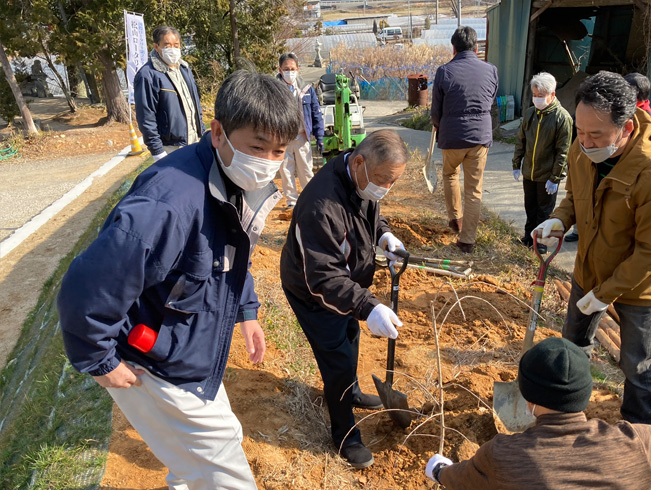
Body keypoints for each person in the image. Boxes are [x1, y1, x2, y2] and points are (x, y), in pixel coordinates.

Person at [58, 70, 301, 490]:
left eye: (279, 151)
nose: (267, 163)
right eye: (257, 147)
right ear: (218, 132)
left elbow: (228, 251)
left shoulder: (230, 176)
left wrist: (246, 310)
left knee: (208, 450)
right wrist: (98, 360)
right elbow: (87, 284)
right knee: (225, 475)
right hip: (150, 359)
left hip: (187, 344)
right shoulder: (169, 201)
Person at [535, 71, 651, 424]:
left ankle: (639, 425)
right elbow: (575, 197)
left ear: (627, 128)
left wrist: (605, 294)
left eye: (595, 135)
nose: (584, 142)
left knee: (636, 361)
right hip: (590, 269)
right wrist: (559, 220)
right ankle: (564, 413)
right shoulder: (582, 147)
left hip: (638, 285)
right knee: (572, 345)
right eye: (581, 132)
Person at [424, 332, 651, 489]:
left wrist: (438, 470)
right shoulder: (632, 445)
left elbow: (458, 478)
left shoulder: (503, 457)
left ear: (528, 400)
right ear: (585, 395)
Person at [279, 130, 408, 469]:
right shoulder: (320, 206)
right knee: (335, 356)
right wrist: (367, 305)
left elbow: (371, 210)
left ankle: (349, 392)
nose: (385, 189)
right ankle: (344, 433)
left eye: (392, 183)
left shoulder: (360, 177)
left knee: (350, 336)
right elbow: (323, 278)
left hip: (346, 282)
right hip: (313, 291)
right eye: (383, 181)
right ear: (360, 162)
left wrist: (383, 234)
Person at [431, 26, 498, 253]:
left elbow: (435, 111)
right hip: (480, 136)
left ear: (453, 48)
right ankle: (467, 240)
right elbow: (490, 99)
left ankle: (455, 220)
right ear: (476, 47)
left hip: (452, 136)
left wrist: (437, 123)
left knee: (450, 174)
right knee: (474, 189)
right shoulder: (491, 70)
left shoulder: (444, 71)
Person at [512, 72, 573, 254]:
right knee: (530, 207)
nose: (537, 99)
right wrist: (517, 164)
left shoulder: (562, 118)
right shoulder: (530, 114)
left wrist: (555, 178)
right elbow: (520, 140)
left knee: (544, 211)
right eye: (535, 95)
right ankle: (527, 239)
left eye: (541, 96)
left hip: (547, 175)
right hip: (529, 171)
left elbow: (563, 151)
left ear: (552, 95)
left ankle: (540, 245)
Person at [134, 26, 205, 161]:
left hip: (193, 140)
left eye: (176, 45)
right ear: (156, 46)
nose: (173, 49)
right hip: (170, 148)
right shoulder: (147, 75)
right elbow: (146, 117)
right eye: (167, 45)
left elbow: (195, 103)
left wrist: (200, 131)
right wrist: (157, 151)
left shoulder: (184, 69)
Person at [276, 52, 325, 209]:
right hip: (282, 139)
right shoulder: (274, 89)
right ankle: (292, 202)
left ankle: (310, 200)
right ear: (280, 70)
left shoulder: (306, 89)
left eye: (292, 68)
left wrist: (320, 137)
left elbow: (316, 113)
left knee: (306, 171)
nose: (289, 72)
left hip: (301, 136)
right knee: (286, 171)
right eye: (286, 69)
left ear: (298, 69)